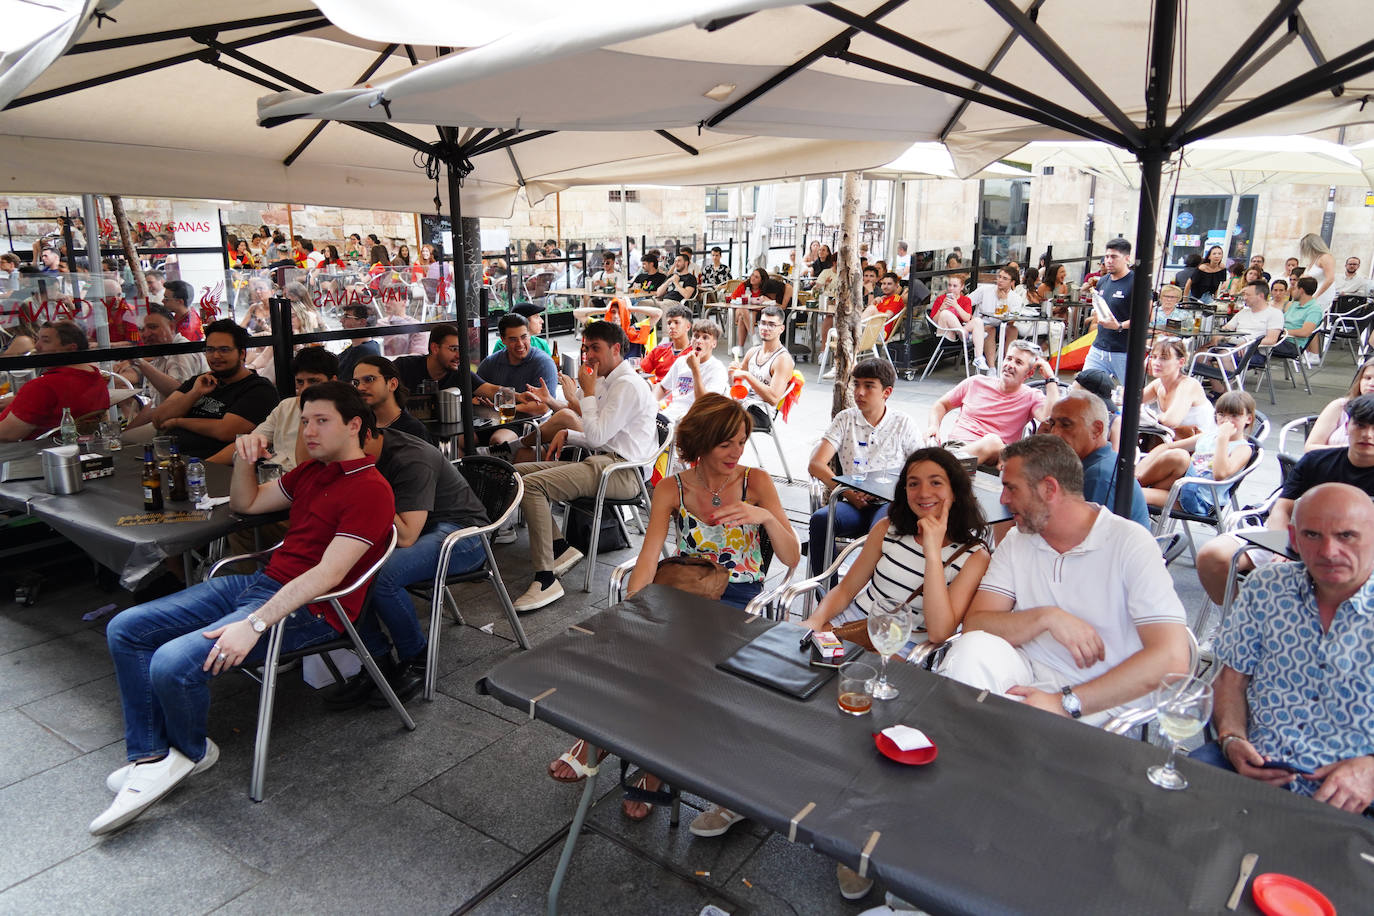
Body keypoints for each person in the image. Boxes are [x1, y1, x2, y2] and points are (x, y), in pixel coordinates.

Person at [90, 382, 395, 836]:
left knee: (173, 663)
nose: (309, 430)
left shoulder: (370, 489)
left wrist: (254, 623)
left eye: (321, 421)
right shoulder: (313, 471)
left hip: (310, 610)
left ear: (353, 425)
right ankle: (153, 756)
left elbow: (327, 576)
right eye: (305, 420)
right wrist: (243, 458)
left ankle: (188, 754)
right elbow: (245, 503)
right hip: (261, 583)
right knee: (126, 627)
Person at [937, 435, 1192, 724]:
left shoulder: (1129, 543)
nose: (1003, 499)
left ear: (1049, 489)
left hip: (1099, 696)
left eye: (1010, 488)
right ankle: (963, 750)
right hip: (1027, 672)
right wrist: (1047, 617)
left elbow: (1172, 658)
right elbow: (977, 623)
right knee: (972, 649)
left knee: (1006, 728)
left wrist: (1066, 702)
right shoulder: (1019, 539)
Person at [1196, 483, 1374, 814]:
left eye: (1346, 535)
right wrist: (1232, 738)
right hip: (1254, 767)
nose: (1329, 551)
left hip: (1354, 795)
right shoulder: (1267, 588)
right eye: (1312, 535)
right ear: (1292, 538)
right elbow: (1230, 679)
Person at [324, 427, 491, 709]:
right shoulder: (360, 450)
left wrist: (365, 482)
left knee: (382, 577)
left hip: (464, 535)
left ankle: (417, 659)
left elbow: (405, 536)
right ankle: (377, 662)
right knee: (341, 569)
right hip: (423, 529)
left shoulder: (410, 458)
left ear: (361, 434)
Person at [511, 321, 658, 612]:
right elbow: (602, 435)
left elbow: (599, 436)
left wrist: (587, 394)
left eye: (595, 348)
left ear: (616, 349)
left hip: (624, 472)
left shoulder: (626, 384)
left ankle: (546, 577)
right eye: (586, 348)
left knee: (533, 485)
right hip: (606, 460)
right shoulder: (607, 380)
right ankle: (561, 549)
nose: (588, 355)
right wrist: (570, 432)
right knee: (517, 475)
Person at [1196, 394, 1374, 605]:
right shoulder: (1316, 461)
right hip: (1298, 541)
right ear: (1347, 427)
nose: (1367, 434)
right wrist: (1282, 544)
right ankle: (1239, 625)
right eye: (1360, 425)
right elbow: (1282, 507)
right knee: (1212, 555)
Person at [806, 358, 925, 575]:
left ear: (886, 392)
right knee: (820, 521)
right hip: (852, 502)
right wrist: (850, 494)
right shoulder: (845, 419)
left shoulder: (902, 423)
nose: (859, 392)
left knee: (881, 530)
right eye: (856, 384)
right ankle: (825, 595)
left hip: (889, 504)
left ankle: (869, 597)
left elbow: (923, 468)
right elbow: (816, 464)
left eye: (869, 386)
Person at [151, 319, 278, 459]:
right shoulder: (200, 381)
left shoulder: (259, 389)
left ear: (242, 354)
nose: (216, 356)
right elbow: (159, 419)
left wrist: (178, 421)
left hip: (213, 466)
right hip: (171, 458)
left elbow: (226, 431)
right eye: (210, 350)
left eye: (224, 350)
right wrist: (194, 393)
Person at [926, 339, 1060, 466]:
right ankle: (945, 466)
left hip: (996, 458)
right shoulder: (976, 382)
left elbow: (1049, 417)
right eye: (1008, 358)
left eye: (1018, 362)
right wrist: (933, 426)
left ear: (1029, 373)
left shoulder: (1031, 396)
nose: (1010, 365)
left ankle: (941, 467)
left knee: (993, 441)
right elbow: (941, 405)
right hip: (958, 448)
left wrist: (1050, 378)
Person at [205, 348, 338, 471]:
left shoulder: (342, 414)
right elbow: (251, 443)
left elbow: (307, 467)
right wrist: (205, 465)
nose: (304, 389)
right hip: (272, 477)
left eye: (314, 381)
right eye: (300, 382)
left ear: (333, 381)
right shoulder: (286, 407)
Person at [1136, 390, 1256, 513]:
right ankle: (1134, 480)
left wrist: (1223, 439)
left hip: (1198, 499)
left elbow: (1220, 475)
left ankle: (1131, 485)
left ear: (1248, 419)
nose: (1226, 420)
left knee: (1131, 493)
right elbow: (1166, 447)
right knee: (1179, 455)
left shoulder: (1242, 449)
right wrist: (1139, 469)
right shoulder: (1209, 436)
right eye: (1221, 414)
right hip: (1179, 484)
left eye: (1234, 416)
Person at [1042, 393, 1150, 529]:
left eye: (1066, 424)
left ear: (1096, 429)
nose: (1054, 433)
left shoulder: (1098, 476)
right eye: (1052, 424)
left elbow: (1081, 540)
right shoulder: (1096, 462)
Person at [0, 321, 110, 441]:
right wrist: (20, 400)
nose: (36, 346)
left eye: (46, 341)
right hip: (75, 448)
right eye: (37, 339)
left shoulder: (43, 387)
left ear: (70, 348)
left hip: (34, 453)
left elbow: (7, 434)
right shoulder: (95, 377)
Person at [118, 306, 209, 426]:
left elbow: (179, 395)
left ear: (171, 327)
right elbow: (156, 404)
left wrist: (140, 363)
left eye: (153, 327)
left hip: (186, 426)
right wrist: (129, 430)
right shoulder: (162, 351)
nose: (145, 334)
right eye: (141, 329)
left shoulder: (180, 351)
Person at [730, 305, 795, 427]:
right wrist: (732, 374)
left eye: (771, 325)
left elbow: (773, 398)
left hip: (762, 413)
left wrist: (748, 376)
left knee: (717, 422)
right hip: (743, 405)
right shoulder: (752, 352)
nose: (766, 328)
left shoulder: (783, 359)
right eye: (763, 323)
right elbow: (734, 384)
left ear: (781, 329)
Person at [1140, 337, 1215, 439]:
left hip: (1202, 446)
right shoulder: (1158, 384)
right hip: (1177, 442)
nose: (1156, 362)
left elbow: (1170, 421)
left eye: (1164, 358)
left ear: (1180, 362)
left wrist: (1149, 416)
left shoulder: (1188, 385)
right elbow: (1129, 401)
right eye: (1153, 357)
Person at [1082, 238, 1136, 382]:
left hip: (1124, 351)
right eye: (1107, 256)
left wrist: (1119, 326)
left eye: (1114, 257)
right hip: (1099, 348)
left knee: (1131, 397)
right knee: (1081, 388)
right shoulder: (1103, 281)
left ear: (1127, 258)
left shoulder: (1137, 282)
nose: (1109, 261)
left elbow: (1145, 319)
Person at [654, 318, 726, 420]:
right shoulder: (681, 361)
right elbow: (662, 387)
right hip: (672, 413)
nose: (699, 341)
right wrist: (653, 403)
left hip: (695, 418)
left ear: (713, 344)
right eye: (696, 336)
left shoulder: (717, 368)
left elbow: (706, 404)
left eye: (705, 338)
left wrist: (695, 369)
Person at [1305, 356, 1374, 451]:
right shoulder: (1340, 406)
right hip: (1329, 464)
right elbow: (1310, 448)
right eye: (1367, 378)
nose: (1371, 383)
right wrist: (1350, 451)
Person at [928, 274, 989, 373]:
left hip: (959, 337)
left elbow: (967, 319)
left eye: (955, 286)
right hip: (946, 334)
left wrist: (956, 305)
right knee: (945, 313)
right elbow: (934, 321)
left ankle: (978, 358)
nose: (951, 288)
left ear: (962, 287)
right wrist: (941, 308)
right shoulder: (940, 299)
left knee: (978, 321)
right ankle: (969, 334)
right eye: (949, 285)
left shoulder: (965, 300)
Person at [968, 267, 1024, 365]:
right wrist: (969, 318)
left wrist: (1004, 301)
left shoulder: (1016, 298)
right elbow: (966, 302)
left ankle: (1007, 363)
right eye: (999, 277)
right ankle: (992, 368)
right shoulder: (985, 290)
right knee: (990, 329)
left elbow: (1011, 321)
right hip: (982, 326)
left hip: (1001, 325)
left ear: (1012, 282)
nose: (1000, 280)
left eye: (1005, 278)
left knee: (1013, 329)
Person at [729, 267, 788, 351]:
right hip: (739, 311)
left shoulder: (764, 289)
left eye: (756, 277)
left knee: (743, 317)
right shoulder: (744, 285)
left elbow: (768, 304)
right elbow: (733, 298)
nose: (752, 278)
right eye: (752, 275)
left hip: (754, 313)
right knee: (742, 310)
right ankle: (753, 337)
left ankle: (741, 348)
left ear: (761, 280)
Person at [394, 324, 464, 393]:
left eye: (461, 350)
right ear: (435, 348)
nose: (458, 356)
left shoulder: (462, 374)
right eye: (454, 349)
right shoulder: (403, 367)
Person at [638, 304, 692, 383]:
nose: (672, 326)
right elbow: (641, 371)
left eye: (677, 322)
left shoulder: (696, 353)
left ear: (688, 327)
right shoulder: (659, 350)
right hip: (657, 391)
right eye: (669, 323)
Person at [1277, 275, 1324, 364]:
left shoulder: (1314, 309)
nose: (1292, 291)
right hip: (1280, 338)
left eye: (1294, 288)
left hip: (1292, 344)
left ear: (1301, 290)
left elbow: (1305, 332)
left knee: (1253, 344)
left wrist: (1282, 332)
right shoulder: (1294, 304)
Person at [336, 303, 380, 383]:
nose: (341, 320)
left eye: (346, 317)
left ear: (362, 322)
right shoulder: (359, 347)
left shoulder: (363, 351)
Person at [1298, 232, 1338, 310]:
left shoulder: (1325, 258)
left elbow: (1330, 278)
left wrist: (1316, 295)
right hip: (1310, 293)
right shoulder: (1313, 260)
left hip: (1321, 293)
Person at [861, 271, 906, 338]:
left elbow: (886, 317)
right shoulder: (882, 299)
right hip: (870, 328)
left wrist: (873, 308)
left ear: (896, 285)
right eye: (884, 284)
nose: (885, 286)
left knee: (872, 309)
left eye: (889, 284)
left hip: (881, 333)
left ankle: (855, 328)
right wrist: (873, 303)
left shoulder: (896, 299)